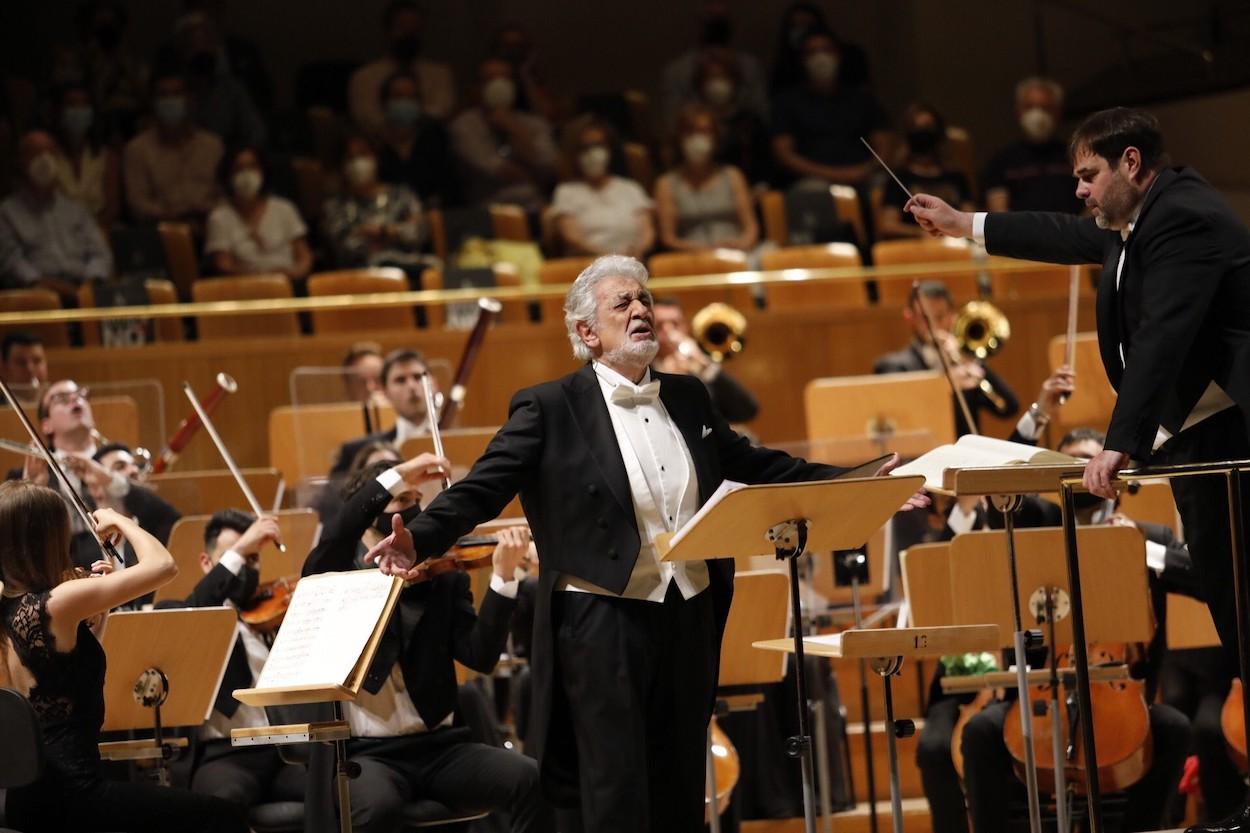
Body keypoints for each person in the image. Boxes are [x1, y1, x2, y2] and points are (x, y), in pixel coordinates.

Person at [361, 254, 927, 832]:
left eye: (645, 300)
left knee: (683, 778)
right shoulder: (549, 406)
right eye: (622, 303)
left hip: (689, 610)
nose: (641, 311)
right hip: (601, 619)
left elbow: (757, 465)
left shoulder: (687, 397)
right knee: (616, 787)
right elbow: (483, 488)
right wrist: (419, 541)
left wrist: (854, 480)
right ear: (587, 332)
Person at [907, 106, 1250, 833]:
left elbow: (1163, 337)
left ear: (1131, 163)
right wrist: (962, 221)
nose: (1081, 193)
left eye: (1088, 175)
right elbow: (1061, 235)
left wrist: (1121, 442)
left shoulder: (1183, 217)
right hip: (1200, 441)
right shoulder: (1135, 223)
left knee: (1246, 608)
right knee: (1236, 613)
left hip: (1234, 438)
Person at [303, 453, 552, 832]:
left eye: (418, 498)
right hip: (370, 755)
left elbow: (480, 655)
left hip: (441, 748)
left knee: (532, 779)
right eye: (402, 500)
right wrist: (397, 474)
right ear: (369, 514)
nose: (416, 507)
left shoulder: (442, 578)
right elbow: (338, 533)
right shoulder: (337, 579)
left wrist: (503, 579)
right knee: (379, 808)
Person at [0, 480, 248, 833]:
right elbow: (164, 566)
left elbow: (64, 675)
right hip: (75, 796)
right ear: (47, 538)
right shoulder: (58, 601)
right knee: (224, 816)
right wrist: (122, 520)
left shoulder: (12, 607)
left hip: (32, 799)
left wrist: (97, 617)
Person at [163, 509, 306, 813]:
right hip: (224, 755)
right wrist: (241, 550)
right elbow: (199, 607)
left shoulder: (272, 612)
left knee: (335, 788)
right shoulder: (184, 612)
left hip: (283, 751)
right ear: (207, 563)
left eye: (254, 559)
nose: (247, 567)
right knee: (224, 799)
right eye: (239, 557)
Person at [872, 280, 1019, 436]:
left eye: (940, 316)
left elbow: (1008, 408)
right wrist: (943, 384)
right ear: (910, 318)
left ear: (952, 317)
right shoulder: (892, 366)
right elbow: (896, 417)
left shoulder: (963, 365)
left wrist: (969, 360)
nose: (934, 325)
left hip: (964, 457)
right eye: (925, 318)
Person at [770, 29, 890, 190]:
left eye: (826, 50)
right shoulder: (787, 102)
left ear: (838, 55)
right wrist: (831, 175)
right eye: (812, 52)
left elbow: (885, 145)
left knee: (886, 186)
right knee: (811, 191)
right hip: (812, 178)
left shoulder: (863, 100)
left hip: (862, 175)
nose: (821, 57)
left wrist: (864, 171)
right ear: (802, 60)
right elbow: (784, 154)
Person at [0, 130, 112, 301]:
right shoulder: (7, 213)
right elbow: (12, 263)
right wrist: (46, 285)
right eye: (35, 153)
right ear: (21, 161)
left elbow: (100, 253)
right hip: (38, 296)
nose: (44, 160)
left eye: (50, 153)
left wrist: (90, 283)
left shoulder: (76, 210)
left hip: (84, 290)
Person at [448, 57, 557, 214]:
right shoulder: (464, 126)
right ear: (477, 87)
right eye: (490, 79)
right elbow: (496, 170)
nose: (498, 84)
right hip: (488, 210)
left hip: (535, 208)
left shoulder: (535, 124)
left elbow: (549, 166)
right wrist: (534, 178)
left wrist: (515, 130)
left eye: (504, 78)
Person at [654, 105, 759, 258]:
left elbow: (751, 227)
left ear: (715, 137)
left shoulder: (733, 175)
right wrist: (705, 250)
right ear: (680, 137)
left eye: (705, 132)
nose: (698, 138)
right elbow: (668, 238)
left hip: (737, 251)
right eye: (691, 132)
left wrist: (743, 243)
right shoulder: (665, 183)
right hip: (692, 256)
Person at [123, 68, 224, 225]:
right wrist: (174, 216)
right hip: (159, 232)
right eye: (163, 95)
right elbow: (138, 205)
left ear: (190, 100)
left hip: (209, 228)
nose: (170, 100)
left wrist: (204, 211)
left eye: (177, 94)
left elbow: (225, 196)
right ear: (153, 102)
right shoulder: (137, 149)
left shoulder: (213, 146)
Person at [205, 145, 312, 281]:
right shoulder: (219, 217)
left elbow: (304, 256)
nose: (246, 175)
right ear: (228, 175)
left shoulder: (284, 208)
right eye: (238, 168)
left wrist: (293, 274)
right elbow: (223, 265)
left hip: (289, 284)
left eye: (252, 167)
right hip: (244, 289)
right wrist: (261, 278)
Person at [550, 119, 654, 259]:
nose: (593, 153)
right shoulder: (566, 192)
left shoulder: (631, 188)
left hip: (633, 262)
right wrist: (610, 257)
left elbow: (647, 231)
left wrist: (638, 250)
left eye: (598, 145)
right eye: (585, 147)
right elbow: (572, 238)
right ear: (575, 153)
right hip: (589, 267)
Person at [659, 2, 769, 133]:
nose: (716, 10)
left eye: (720, 10)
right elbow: (673, 124)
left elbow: (762, 118)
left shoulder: (750, 68)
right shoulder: (678, 72)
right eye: (711, 12)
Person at [348, 0, 456, 133]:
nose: (409, 34)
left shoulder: (440, 74)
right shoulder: (364, 78)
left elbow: (442, 110)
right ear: (388, 32)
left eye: (415, 28)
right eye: (402, 27)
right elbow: (368, 119)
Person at [321, 135, 425, 271]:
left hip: (408, 273)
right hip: (357, 279)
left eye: (363, 154)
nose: (358, 163)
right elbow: (344, 247)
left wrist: (382, 232)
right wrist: (396, 233)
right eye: (350, 158)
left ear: (375, 157)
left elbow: (417, 233)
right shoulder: (334, 206)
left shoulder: (403, 196)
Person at [982, 78, 1084, 214]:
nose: (1038, 115)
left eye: (1046, 108)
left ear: (1058, 112)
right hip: (1019, 233)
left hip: (1071, 232)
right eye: (1030, 107)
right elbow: (999, 212)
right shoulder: (1001, 160)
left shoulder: (1076, 155)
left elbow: (1093, 203)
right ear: (1018, 111)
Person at [652, 296, 758, 423]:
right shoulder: (642, 371)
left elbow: (747, 411)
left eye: (675, 324)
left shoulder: (699, 366)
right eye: (659, 325)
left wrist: (705, 366)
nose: (669, 331)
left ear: (685, 326)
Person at [330, 349, 433, 478]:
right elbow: (332, 498)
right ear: (385, 392)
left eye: (418, 377)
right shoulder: (356, 451)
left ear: (433, 383)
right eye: (400, 380)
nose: (411, 386)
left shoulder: (459, 440)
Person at [876, 103, 973, 240]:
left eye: (928, 128)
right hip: (916, 249)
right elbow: (888, 225)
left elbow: (969, 220)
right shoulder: (899, 178)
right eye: (917, 129)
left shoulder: (956, 177)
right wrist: (922, 233)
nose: (923, 136)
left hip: (955, 245)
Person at [375, 70, 460, 209]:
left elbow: (450, 187)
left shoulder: (436, 136)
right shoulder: (376, 144)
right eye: (398, 96)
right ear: (385, 102)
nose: (405, 102)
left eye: (411, 97)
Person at [50, 82, 121, 227]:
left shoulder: (107, 157)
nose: (78, 110)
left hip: (99, 233)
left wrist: (90, 235)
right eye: (72, 104)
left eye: (84, 105)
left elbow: (112, 208)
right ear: (59, 111)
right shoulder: (48, 155)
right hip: (55, 235)